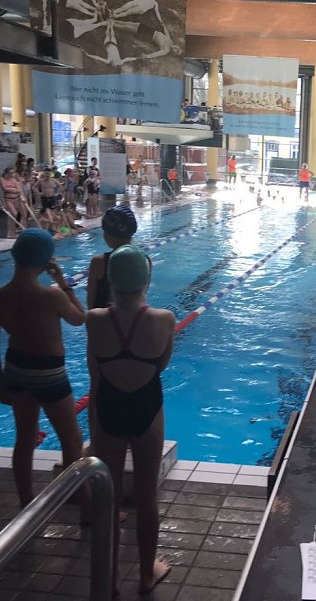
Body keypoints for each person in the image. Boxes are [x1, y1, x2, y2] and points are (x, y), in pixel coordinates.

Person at [86, 245, 175, 595]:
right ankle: (145, 573)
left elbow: (95, 372)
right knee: (146, 493)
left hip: (108, 405)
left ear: (110, 280)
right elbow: (161, 365)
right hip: (146, 406)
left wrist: (94, 419)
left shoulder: (94, 319)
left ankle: (107, 578)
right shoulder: (164, 319)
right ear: (147, 279)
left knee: (109, 498)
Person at [0, 229, 87, 507]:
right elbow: (79, 319)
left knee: (24, 440)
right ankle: (85, 506)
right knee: (72, 440)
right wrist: (63, 282)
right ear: (46, 260)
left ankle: (26, 505)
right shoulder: (51, 296)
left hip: (15, 371)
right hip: (50, 375)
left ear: (15, 256)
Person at [88, 205, 138, 309]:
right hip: (133, 321)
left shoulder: (98, 262)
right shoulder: (146, 260)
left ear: (107, 234)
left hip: (102, 322)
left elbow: (90, 304)